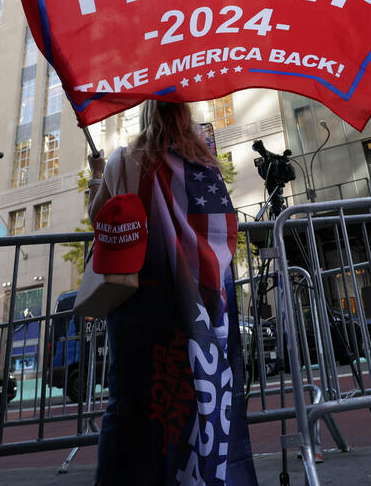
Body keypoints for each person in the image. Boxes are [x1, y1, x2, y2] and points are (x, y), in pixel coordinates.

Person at [87, 100, 257, 485]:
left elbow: (99, 217)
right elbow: (219, 230)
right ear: (185, 115)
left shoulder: (124, 159)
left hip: (137, 299)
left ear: (147, 115)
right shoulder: (206, 164)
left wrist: (98, 174)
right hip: (195, 303)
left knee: (129, 399)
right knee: (192, 396)